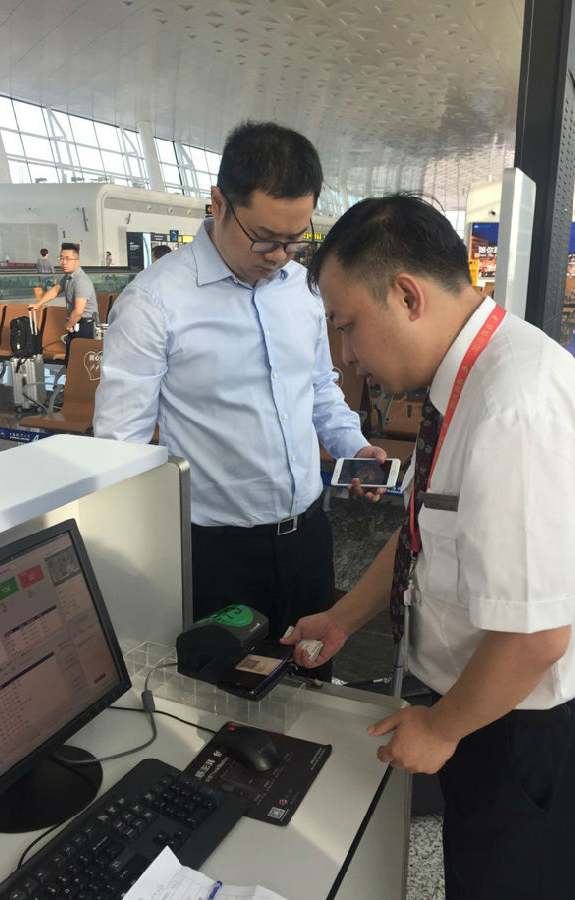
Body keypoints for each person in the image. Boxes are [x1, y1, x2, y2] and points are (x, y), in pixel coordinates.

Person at [282, 194, 575, 900]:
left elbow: (535, 637)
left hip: (531, 725)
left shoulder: (516, 411)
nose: (346, 355)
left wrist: (442, 728)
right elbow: (421, 531)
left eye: (347, 326)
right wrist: (342, 619)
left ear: (406, 295)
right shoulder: (467, 381)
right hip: (491, 705)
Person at [93, 121, 385, 677]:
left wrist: (355, 446)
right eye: (265, 237)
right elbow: (119, 447)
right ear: (219, 203)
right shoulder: (155, 302)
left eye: (295, 239)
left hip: (308, 537)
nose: (279, 255)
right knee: (220, 700)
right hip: (216, 552)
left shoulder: (302, 290)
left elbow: (318, 388)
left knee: (312, 684)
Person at [28, 243, 97, 362]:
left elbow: (79, 310)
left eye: (68, 259)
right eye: (61, 258)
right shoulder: (68, 277)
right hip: (75, 325)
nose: (63, 262)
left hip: (85, 327)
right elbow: (56, 289)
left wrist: (68, 325)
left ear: (78, 261)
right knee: (70, 363)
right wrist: (38, 304)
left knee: (79, 364)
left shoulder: (81, 281)